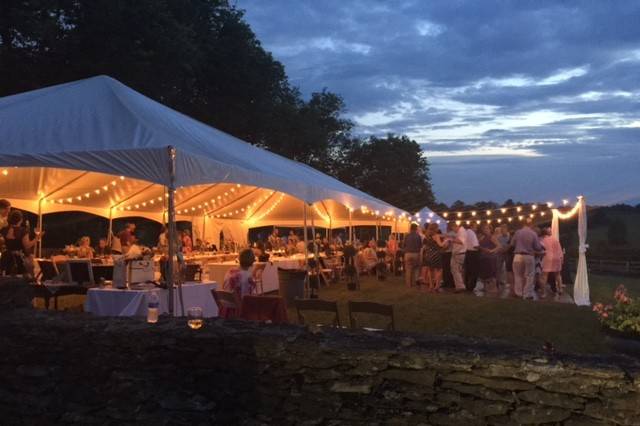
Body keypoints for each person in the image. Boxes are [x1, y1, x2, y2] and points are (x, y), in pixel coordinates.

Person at [511, 218, 545, 300]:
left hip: (517, 255)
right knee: (529, 275)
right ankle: (527, 294)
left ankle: (518, 293)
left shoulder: (517, 232)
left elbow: (512, 243)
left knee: (518, 275)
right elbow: (537, 247)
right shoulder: (533, 233)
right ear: (531, 224)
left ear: (523, 224)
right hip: (529, 256)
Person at [0, 210, 42, 276]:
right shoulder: (22, 231)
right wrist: (37, 238)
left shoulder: (4, 229)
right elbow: (27, 246)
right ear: (21, 219)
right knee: (20, 278)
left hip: (6, 257)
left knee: (7, 277)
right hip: (18, 258)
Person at [475, 224, 500, 296]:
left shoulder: (492, 237)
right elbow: (478, 246)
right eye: (484, 229)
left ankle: (493, 289)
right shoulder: (482, 237)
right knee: (485, 274)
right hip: (483, 257)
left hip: (490, 258)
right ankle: (486, 288)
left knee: (491, 274)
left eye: (487, 229)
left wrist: (492, 251)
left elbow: (499, 246)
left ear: (490, 229)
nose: (485, 230)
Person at [421, 223, 447, 292]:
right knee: (439, 270)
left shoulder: (427, 236)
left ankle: (431, 285)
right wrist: (446, 240)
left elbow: (425, 247)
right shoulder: (436, 236)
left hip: (429, 255)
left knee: (430, 270)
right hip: (436, 255)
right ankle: (437, 286)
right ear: (435, 229)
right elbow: (440, 245)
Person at [540, 227, 564, 298]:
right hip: (557, 258)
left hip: (547, 258)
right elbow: (560, 250)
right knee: (558, 275)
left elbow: (541, 250)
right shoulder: (555, 240)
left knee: (544, 276)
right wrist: (562, 259)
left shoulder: (542, 241)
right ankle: (560, 289)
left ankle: (543, 293)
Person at [449, 222, 467, 292]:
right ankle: (460, 285)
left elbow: (461, 241)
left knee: (455, 269)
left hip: (459, 253)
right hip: (459, 253)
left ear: (455, 226)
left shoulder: (461, 231)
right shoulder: (461, 231)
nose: (453, 230)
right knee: (457, 270)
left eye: (453, 228)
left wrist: (451, 240)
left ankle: (460, 286)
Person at [403, 223, 422, 288]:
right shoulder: (418, 236)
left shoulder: (406, 236)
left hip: (408, 254)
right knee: (416, 268)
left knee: (408, 269)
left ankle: (409, 285)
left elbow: (403, 245)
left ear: (410, 228)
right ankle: (416, 282)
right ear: (416, 228)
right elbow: (420, 246)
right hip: (416, 253)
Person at [464, 223, 480, 291]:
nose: (476, 229)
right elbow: (475, 245)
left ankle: (467, 285)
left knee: (467, 271)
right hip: (473, 253)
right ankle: (471, 286)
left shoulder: (466, 232)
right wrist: (483, 248)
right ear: (473, 226)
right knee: (474, 271)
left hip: (467, 252)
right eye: (476, 227)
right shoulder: (472, 233)